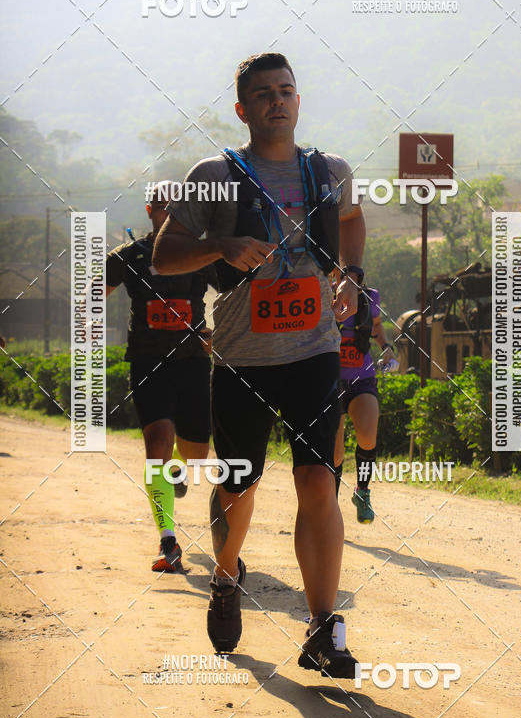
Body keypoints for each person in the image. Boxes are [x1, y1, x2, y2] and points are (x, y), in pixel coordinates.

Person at [153, 52, 366, 678]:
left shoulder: (330, 172)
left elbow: (352, 222)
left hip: (315, 352)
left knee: (318, 484)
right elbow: (165, 257)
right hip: (244, 357)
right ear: (243, 109)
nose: (278, 100)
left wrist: (351, 275)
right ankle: (225, 575)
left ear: (299, 102)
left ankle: (324, 627)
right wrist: (220, 244)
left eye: (288, 91)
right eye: (265, 94)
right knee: (238, 484)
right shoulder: (214, 175)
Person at [105, 184, 213, 573]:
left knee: (196, 453)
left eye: (176, 208)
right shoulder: (130, 256)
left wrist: (217, 333)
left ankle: (178, 473)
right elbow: (93, 293)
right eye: (161, 208)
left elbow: (235, 291)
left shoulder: (203, 253)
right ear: (149, 211)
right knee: (157, 442)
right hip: (149, 361)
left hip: (193, 363)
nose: (167, 214)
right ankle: (168, 540)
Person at [333, 283, 399, 523]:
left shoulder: (369, 296)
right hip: (330, 379)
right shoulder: (320, 292)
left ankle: (362, 492)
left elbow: (377, 327)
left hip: (363, 375)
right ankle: (330, 506)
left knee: (368, 436)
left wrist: (387, 349)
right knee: (335, 453)